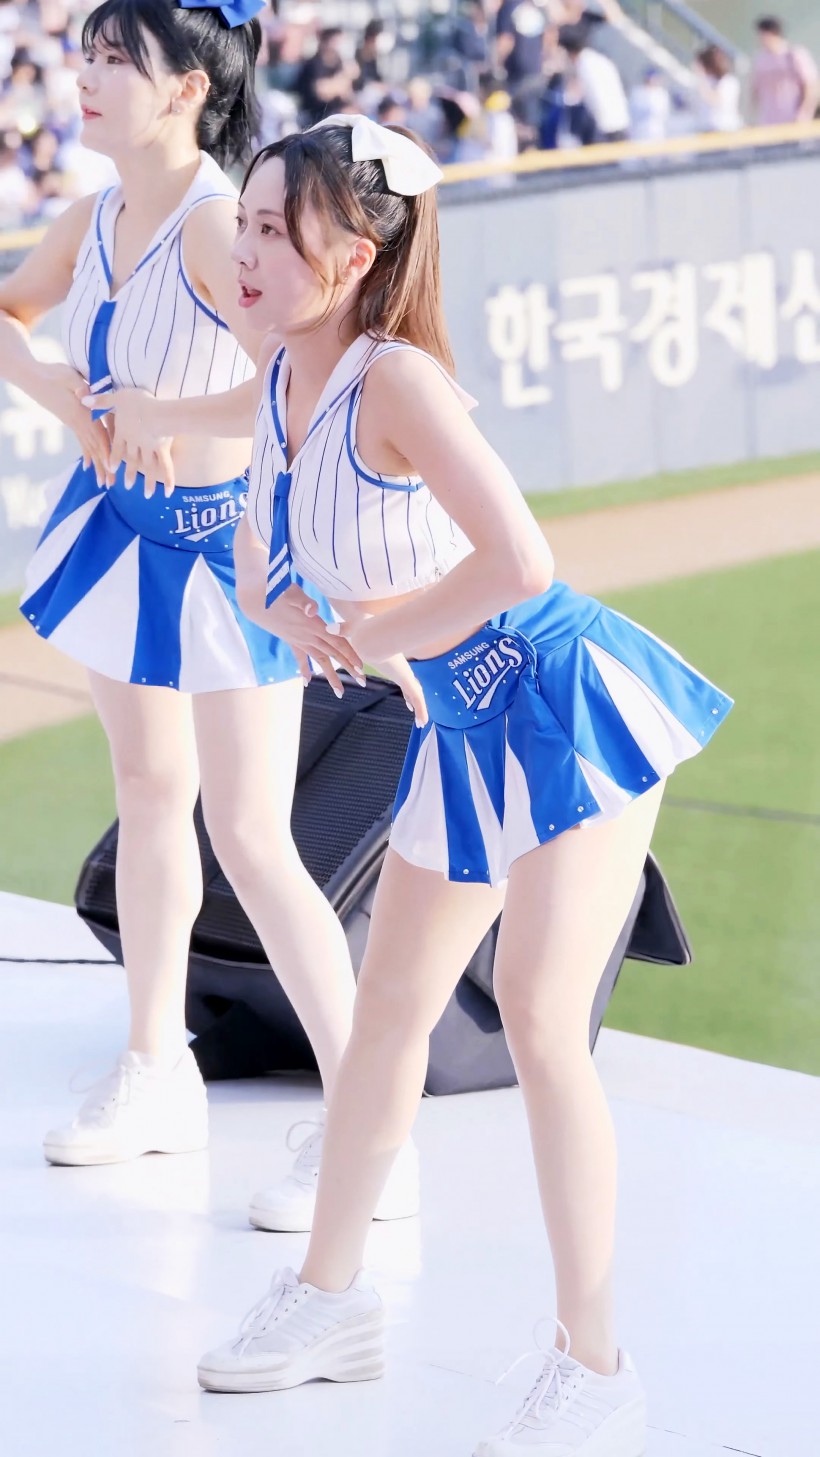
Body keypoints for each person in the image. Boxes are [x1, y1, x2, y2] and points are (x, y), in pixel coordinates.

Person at [143, 114, 731, 1450]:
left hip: (557, 702)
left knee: (537, 1018)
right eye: (243, 224)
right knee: (387, 1014)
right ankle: (327, 1298)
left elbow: (521, 562)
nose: (244, 252)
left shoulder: (396, 382)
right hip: (460, 724)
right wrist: (283, 606)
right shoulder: (281, 376)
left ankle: (596, 1364)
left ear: (353, 256)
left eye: (274, 230)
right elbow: (262, 536)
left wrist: (374, 635)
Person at [0, 0, 419, 1232]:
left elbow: (298, 374)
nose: (84, 76)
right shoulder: (93, 216)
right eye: (84, 53)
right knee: (147, 793)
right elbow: (12, 316)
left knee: (249, 831)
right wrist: (66, 399)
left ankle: (370, 1129)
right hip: (124, 534)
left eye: (115, 59)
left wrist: (161, 416)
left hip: (231, 553)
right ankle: (155, 1068)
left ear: (188, 88)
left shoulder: (211, 223)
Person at [560, 24, 629, 143]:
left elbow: (584, 97)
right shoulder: (598, 59)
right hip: (620, 123)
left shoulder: (584, 65)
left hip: (605, 130)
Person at [751, 15, 819, 127]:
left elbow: (811, 85)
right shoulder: (761, 59)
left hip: (793, 119)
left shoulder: (794, 55)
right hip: (768, 122)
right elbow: (755, 90)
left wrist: (805, 112)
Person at [694, 45, 742, 133]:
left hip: (726, 129)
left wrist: (702, 77)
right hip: (707, 129)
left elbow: (715, 100)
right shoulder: (708, 81)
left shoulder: (729, 81)